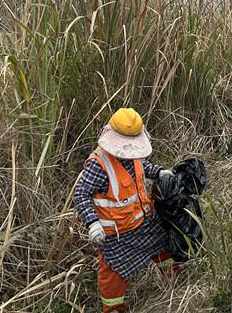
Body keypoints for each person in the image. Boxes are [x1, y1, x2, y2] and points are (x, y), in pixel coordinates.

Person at [73, 108, 178, 312]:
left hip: (144, 222)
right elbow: (81, 193)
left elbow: (142, 166)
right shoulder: (99, 165)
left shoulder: (134, 155)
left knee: (164, 248)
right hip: (115, 235)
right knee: (114, 275)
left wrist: (160, 173)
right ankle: (114, 309)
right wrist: (93, 223)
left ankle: (173, 283)